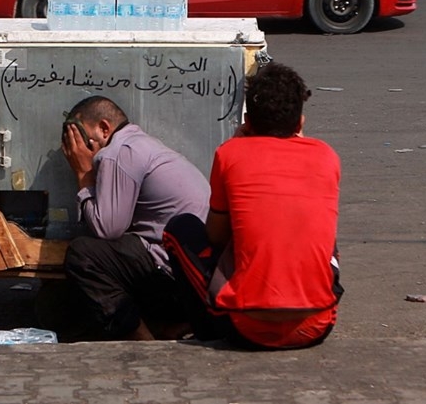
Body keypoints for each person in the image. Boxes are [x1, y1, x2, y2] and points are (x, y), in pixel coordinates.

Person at [163, 62, 343, 350]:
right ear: (300, 123)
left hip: (245, 329)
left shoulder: (229, 154)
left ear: (247, 122)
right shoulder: (328, 157)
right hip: (318, 325)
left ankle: (207, 330)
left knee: (179, 228)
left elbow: (216, 237)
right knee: (323, 238)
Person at [60, 96, 210, 340]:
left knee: (83, 255)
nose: (82, 151)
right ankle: (167, 326)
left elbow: (106, 228)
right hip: (194, 275)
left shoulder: (117, 152)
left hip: (173, 275)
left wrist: (83, 175)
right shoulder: (142, 144)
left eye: (83, 140)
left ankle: (141, 337)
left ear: (104, 128)